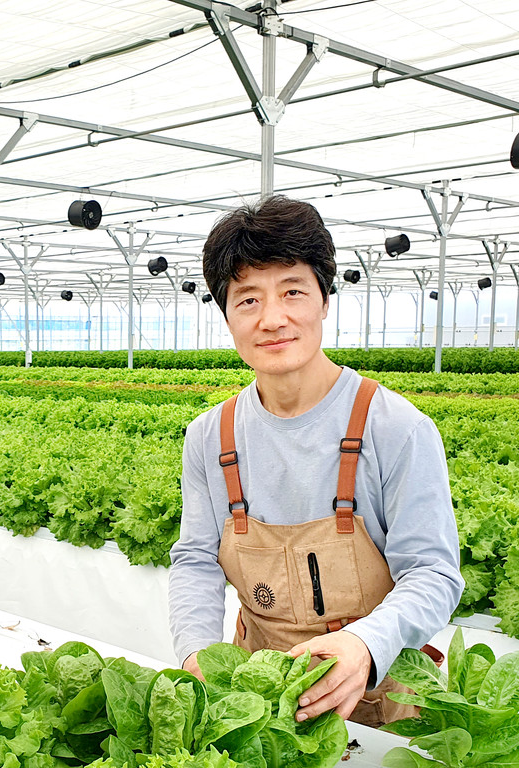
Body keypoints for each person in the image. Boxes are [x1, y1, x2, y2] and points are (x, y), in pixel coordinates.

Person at [170, 196, 463, 727]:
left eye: (293, 292)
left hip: (376, 696)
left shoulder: (396, 428)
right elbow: (195, 559)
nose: (273, 319)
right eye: (248, 300)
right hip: (255, 704)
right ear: (226, 314)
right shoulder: (209, 436)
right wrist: (195, 654)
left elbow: (433, 574)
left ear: (324, 299)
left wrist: (363, 643)